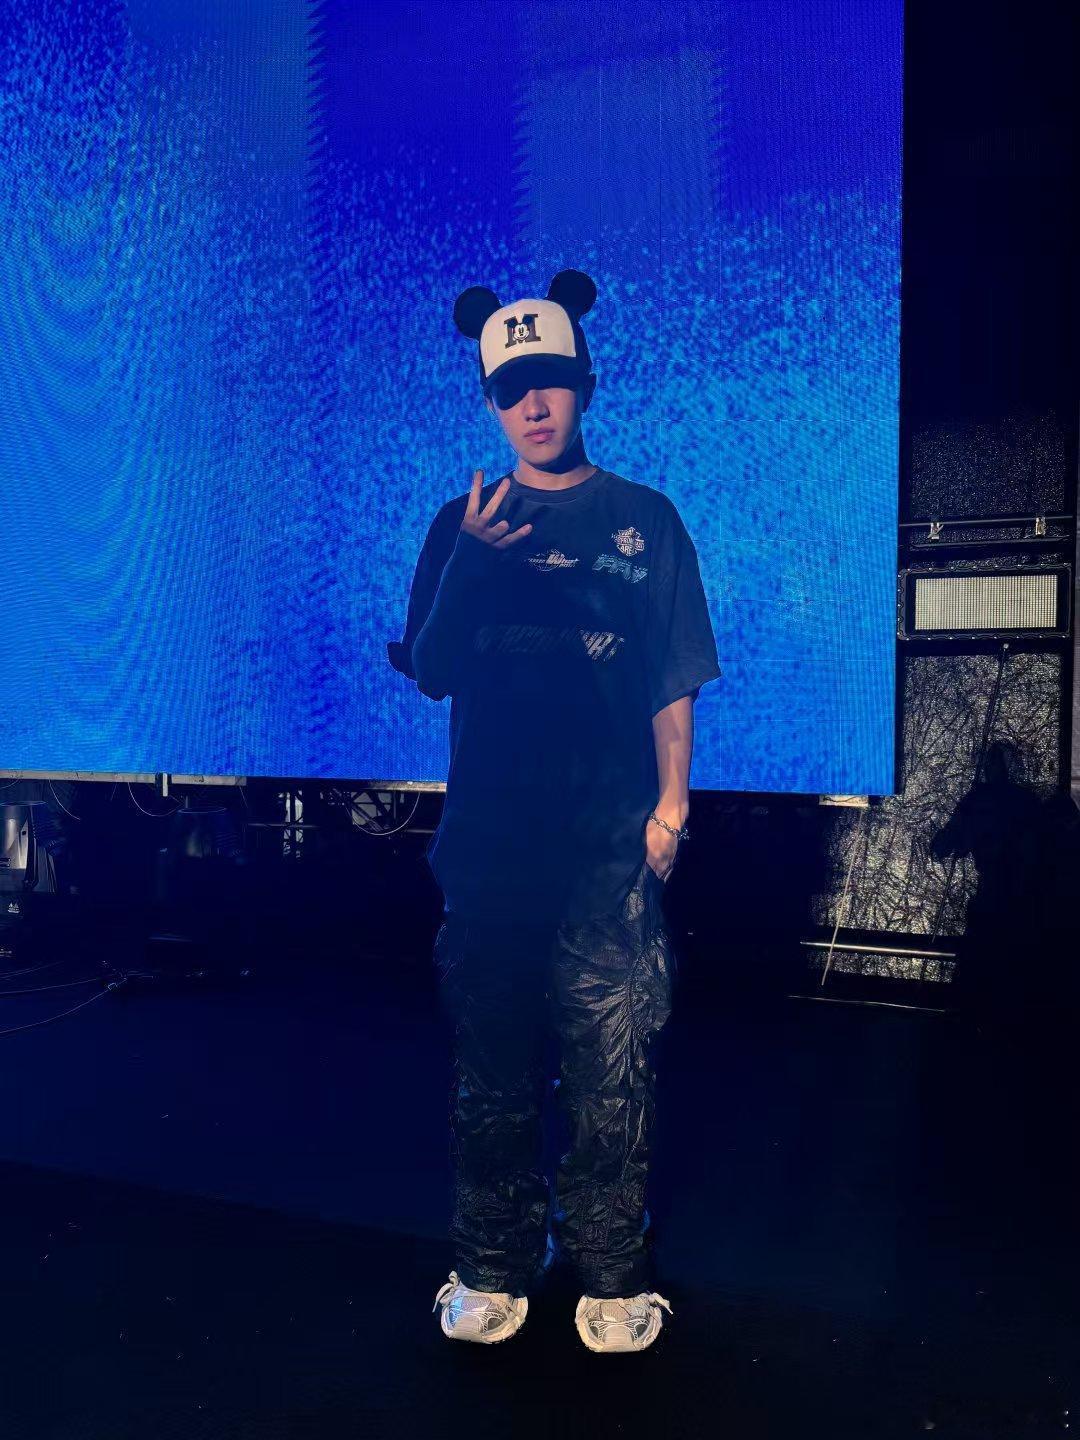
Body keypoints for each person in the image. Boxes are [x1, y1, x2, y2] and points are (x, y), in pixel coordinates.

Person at [387, 269, 722, 1354]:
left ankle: (613, 1271)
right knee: (491, 1074)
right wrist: (472, 567)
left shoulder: (645, 518)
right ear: (490, 402)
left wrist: (671, 808)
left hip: (606, 851)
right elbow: (432, 669)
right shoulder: (462, 524)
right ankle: (491, 1265)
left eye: (551, 382)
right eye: (510, 390)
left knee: (613, 1074)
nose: (533, 405)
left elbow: (673, 674)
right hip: (491, 852)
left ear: (586, 384)